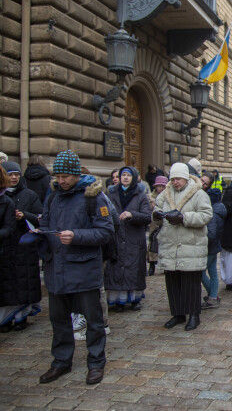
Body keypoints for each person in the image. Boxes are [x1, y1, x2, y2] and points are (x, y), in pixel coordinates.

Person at [39, 150, 114, 385]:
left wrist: (76, 236)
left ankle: (96, 362)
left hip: (83, 270)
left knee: (93, 321)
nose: (60, 181)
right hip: (57, 268)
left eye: (64, 177)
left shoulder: (93, 196)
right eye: (57, 176)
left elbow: (106, 231)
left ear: (75, 174)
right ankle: (61, 361)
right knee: (59, 320)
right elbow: (45, 222)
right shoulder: (52, 196)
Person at [153, 163, 212, 331]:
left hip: (190, 244)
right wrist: (156, 215)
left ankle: (194, 314)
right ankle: (178, 313)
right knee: (173, 281)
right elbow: (157, 210)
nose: (176, 182)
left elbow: (206, 215)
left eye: (178, 178)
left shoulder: (198, 193)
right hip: (170, 244)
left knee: (190, 282)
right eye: (173, 179)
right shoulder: (166, 193)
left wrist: (183, 217)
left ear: (186, 178)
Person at [0, 163, 42, 331]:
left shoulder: (29, 195)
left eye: (17, 174)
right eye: (10, 174)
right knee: (8, 284)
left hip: (24, 245)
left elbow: (40, 217)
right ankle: (5, 319)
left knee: (25, 282)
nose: (14, 178)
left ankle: (21, 316)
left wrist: (25, 215)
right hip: (6, 247)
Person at [105, 167, 152, 311]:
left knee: (133, 269)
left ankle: (134, 299)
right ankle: (118, 301)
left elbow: (147, 216)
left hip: (134, 238)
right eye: (123, 175)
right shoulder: (111, 193)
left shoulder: (140, 195)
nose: (125, 178)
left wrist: (132, 215)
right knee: (116, 268)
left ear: (134, 177)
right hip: (117, 236)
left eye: (128, 175)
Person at [200, 174, 227, 309]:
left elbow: (211, 233)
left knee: (200, 272)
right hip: (216, 245)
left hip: (209, 246)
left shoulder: (211, 213)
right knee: (212, 271)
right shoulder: (220, 209)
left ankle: (212, 295)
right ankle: (213, 295)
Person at [147, 175, 168, 276]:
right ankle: (152, 265)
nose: (160, 188)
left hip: (165, 223)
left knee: (164, 244)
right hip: (154, 224)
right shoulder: (151, 197)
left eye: (162, 186)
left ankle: (164, 265)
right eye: (158, 186)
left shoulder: (169, 196)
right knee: (153, 244)